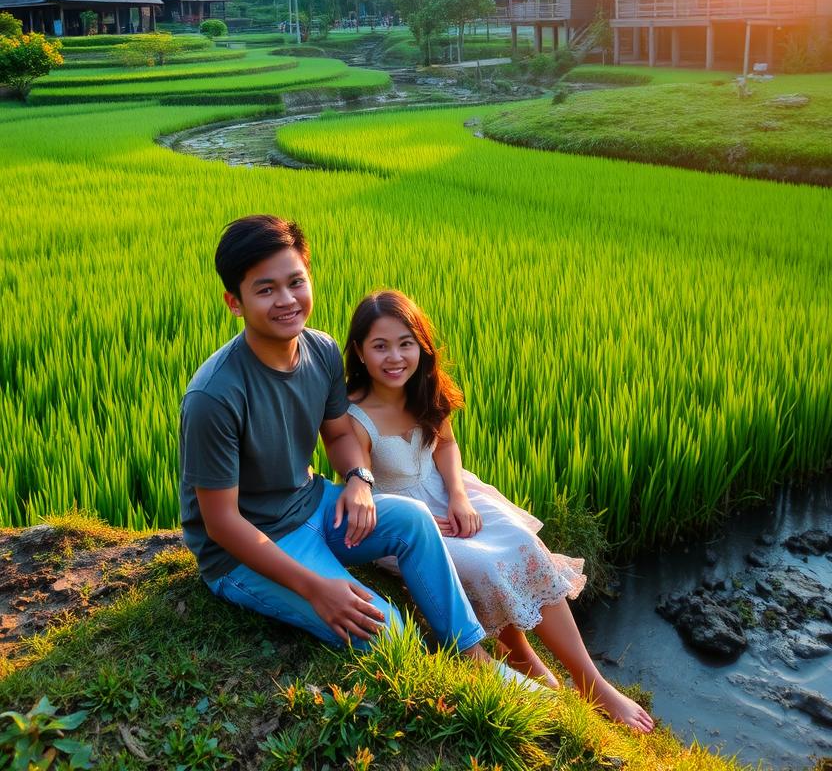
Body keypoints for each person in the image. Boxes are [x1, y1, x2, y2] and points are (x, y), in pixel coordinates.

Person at [178, 215, 535, 686]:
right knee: (390, 632)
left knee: (412, 519)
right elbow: (222, 523)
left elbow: (339, 435)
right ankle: (435, 676)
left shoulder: (321, 351)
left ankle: (474, 658)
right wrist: (315, 587)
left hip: (309, 502)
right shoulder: (215, 395)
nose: (286, 301)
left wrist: (359, 481)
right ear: (235, 302)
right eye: (265, 290)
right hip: (245, 549)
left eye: (295, 282)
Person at [344, 289, 655, 734]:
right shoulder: (354, 415)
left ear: (421, 346)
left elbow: (446, 445)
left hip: (451, 495)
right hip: (404, 520)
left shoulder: (423, 389)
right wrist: (421, 521)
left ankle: (592, 682)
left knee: (522, 543)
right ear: (359, 350)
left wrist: (459, 496)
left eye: (405, 343)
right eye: (380, 346)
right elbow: (362, 486)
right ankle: (524, 658)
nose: (395, 357)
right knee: (486, 564)